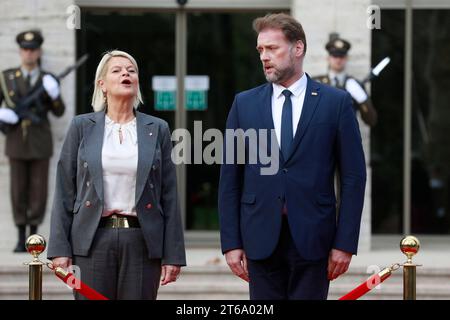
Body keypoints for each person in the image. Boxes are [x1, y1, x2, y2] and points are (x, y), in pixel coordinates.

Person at [218, 13, 366, 300]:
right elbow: (230, 178)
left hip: (315, 238)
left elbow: (353, 177)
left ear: (297, 48)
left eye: (272, 48)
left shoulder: (335, 103)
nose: (264, 57)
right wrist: (231, 242)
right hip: (259, 236)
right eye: (260, 50)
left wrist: (345, 242)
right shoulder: (244, 104)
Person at [47, 50, 186, 300]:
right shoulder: (81, 126)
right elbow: (65, 189)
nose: (126, 74)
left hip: (142, 241)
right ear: (102, 84)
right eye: (117, 70)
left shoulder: (158, 128)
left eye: (131, 71)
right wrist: (59, 248)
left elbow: (169, 195)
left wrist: (173, 254)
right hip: (91, 241)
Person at [0, 30, 65, 252]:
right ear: (20, 51)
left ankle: (33, 237)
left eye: (33, 49)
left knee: (39, 190)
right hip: (16, 141)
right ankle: (20, 237)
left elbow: (59, 112)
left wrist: (54, 95)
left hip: (39, 141)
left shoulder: (47, 79)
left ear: (39, 51)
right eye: (26, 49)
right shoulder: (7, 77)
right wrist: (3, 115)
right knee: (18, 190)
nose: (29, 53)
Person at [313, 35, 377, 127]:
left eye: (341, 56)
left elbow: (371, 120)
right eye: (335, 55)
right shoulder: (316, 83)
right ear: (328, 58)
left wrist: (362, 99)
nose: (338, 59)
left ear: (347, 58)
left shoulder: (356, 85)